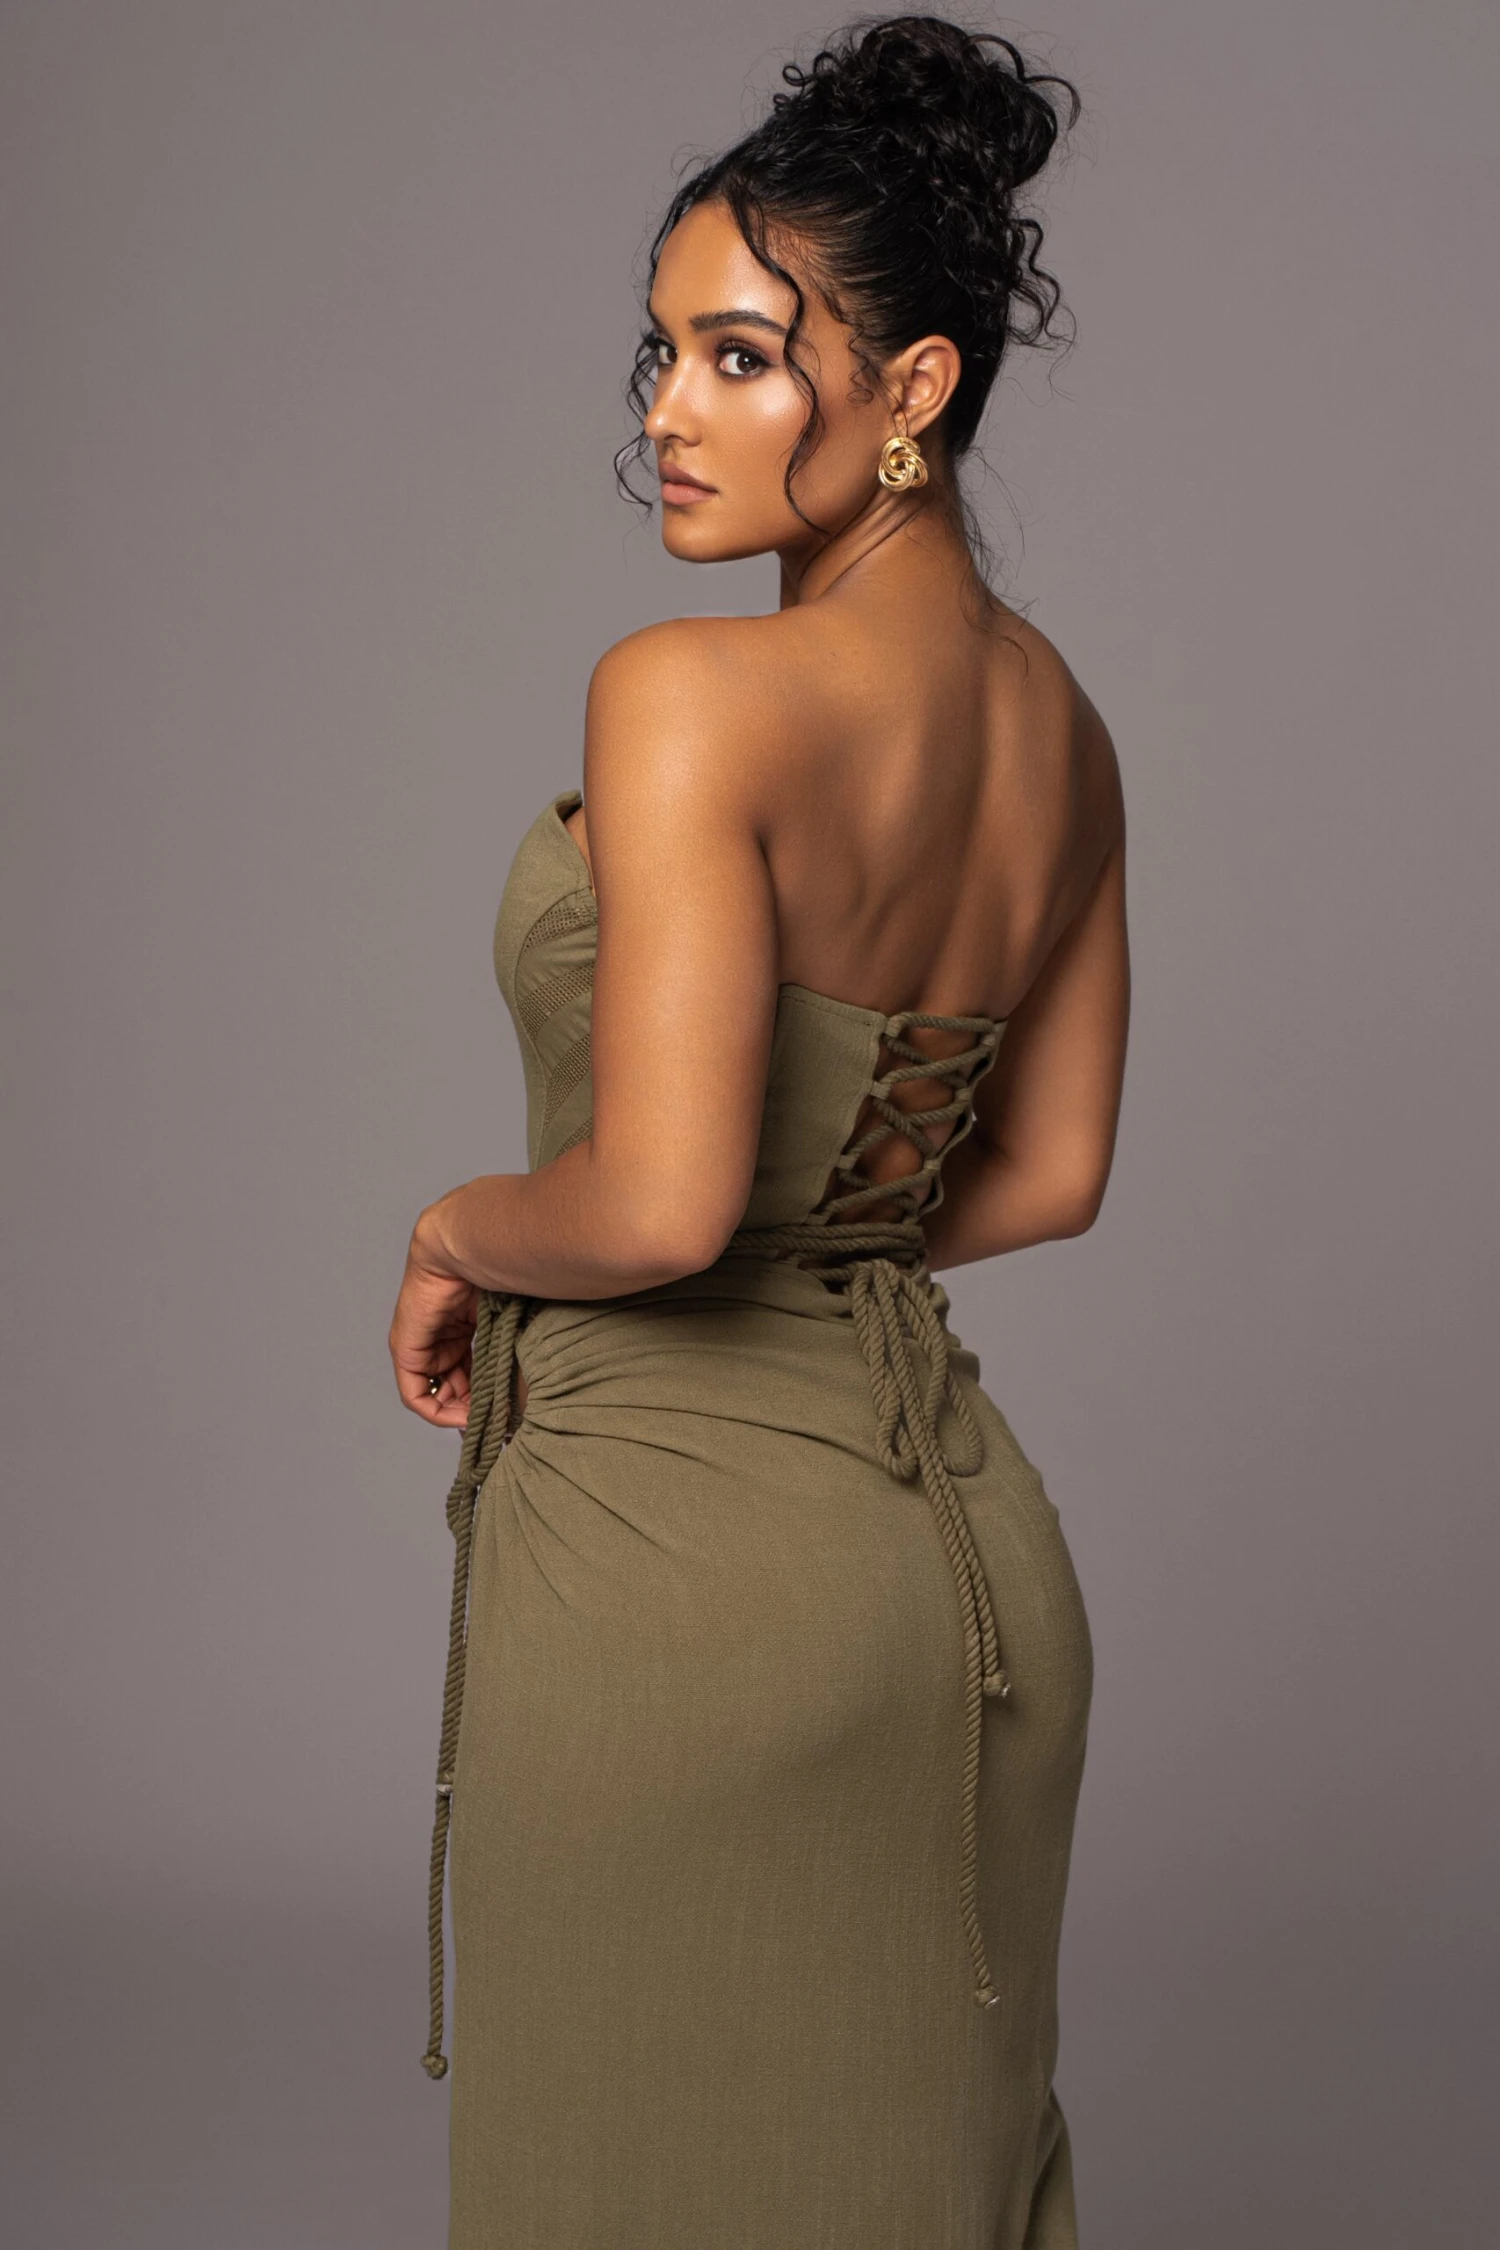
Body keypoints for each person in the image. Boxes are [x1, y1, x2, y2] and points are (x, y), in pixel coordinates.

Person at [387, 15, 1127, 2245]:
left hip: (689, 1589)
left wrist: (450, 1224)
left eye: (737, 357)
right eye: (664, 354)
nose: (666, 410)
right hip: (971, 1585)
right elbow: (1055, 1175)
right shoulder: (1063, 729)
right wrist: (826, 1243)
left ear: (914, 391)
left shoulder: (685, 695)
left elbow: (658, 1201)